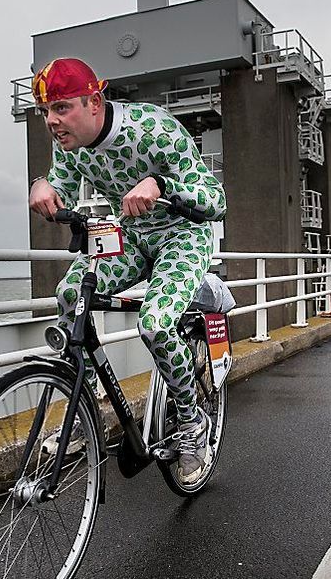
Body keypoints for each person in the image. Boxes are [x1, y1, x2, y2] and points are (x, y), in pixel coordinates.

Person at [28, 57, 226, 482]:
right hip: (131, 236)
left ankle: (193, 428)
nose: (51, 121)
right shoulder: (70, 144)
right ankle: (85, 411)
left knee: (154, 323)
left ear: (94, 102)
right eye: (46, 111)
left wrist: (162, 185)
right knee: (69, 294)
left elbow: (215, 200)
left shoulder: (153, 128)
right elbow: (60, 181)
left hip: (182, 235)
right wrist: (42, 187)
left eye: (61, 108)